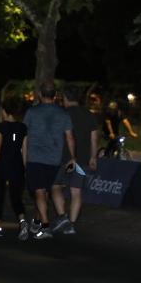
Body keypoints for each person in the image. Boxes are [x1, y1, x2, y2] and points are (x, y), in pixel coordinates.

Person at [23, 81, 75, 240]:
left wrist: (23, 157)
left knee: (39, 191)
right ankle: (38, 222)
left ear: (39, 94)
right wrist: (73, 157)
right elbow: (70, 137)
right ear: (56, 96)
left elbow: (23, 135)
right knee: (45, 191)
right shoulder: (63, 114)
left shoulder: (31, 112)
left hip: (35, 157)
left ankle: (45, 226)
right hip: (54, 159)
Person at [50, 85, 100, 235]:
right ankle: (71, 224)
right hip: (82, 160)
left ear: (65, 98)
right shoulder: (89, 115)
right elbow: (94, 139)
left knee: (55, 186)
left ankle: (62, 217)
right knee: (76, 191)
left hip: (61, 159)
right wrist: (93, 157)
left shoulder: (60, 114)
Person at [0, 96, 29, 240]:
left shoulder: (0, 126)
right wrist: (25, 168)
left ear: (5, 111)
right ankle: (23, 222)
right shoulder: (23, 127)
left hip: (2, 164)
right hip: (17, 165)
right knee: (16, 196)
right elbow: (24, 150)